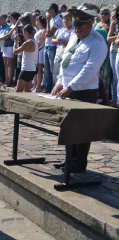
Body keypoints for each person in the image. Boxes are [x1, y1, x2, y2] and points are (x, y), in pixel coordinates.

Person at [51, 6, 107, 172]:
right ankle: (69, 159)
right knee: (68, 127)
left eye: (80, 27)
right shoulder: (75, 37)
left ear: (90, 24)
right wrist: (60, 81)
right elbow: (65, 61)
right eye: (75, 27)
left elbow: (89, 70)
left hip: (84, 92)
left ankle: (79, 163)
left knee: (82, 130)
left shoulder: (97, 43)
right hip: (67, 89)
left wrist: (71, 86)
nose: (77, 30)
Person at [44, 3, 64, 93]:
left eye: (49, 9)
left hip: (53, 47)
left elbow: (48, 33)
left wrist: (47, 21)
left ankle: (53, 89)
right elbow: (46, 33)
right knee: (47, 70)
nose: (47, 12)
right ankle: (47, 89)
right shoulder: (52, 19)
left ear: (53, 10)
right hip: (47, 45)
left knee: (53, 70)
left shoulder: (58, 19)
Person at [13, 24, 38, 92]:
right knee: (27, 90)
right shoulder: (35, 41)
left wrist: (15, 41)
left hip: (26, 69)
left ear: (26, 32)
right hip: (32, 69)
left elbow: (15, 52)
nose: (23, 34)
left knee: (18, 91)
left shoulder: (27, 43)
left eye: (23, 32)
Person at [94, 7, 111, 102]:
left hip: (105, 52)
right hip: (96, 52)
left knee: (105, 75)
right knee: (97, 74)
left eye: (105, 13)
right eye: (102, 13)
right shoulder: (96, 25)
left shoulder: (109, 25)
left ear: (109, 15)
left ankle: (105, 96)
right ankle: (97, 95)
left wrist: (106, 51)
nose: (103, 15)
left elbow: (109, 41)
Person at [52, 12, 73, 86]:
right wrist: (57, 41)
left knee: (64, 72)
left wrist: (65, 42)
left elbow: (73, 43)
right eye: (64, 19)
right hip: (58, 53)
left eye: (67, 19)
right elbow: (52, 40)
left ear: (71, 20)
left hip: (67, 54)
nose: (65, 21)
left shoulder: (73, 31)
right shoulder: (59, 30)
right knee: (56, 72)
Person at [107, 5, 119, 107]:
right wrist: (117, 36)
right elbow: (109, 38)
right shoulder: (114, 23)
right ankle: (115, 99)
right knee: (115, 77)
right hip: (114, 51)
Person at [32, 15, 47, 92]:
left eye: (37, 20)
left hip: (40, 50)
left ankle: (38, 86)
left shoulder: (44, 30)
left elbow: (40, 41)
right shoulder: (38, 30)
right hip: (36, 50)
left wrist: (34, 46)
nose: (35, 22)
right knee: (35, 69)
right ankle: (34, 85)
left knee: (39, 69)